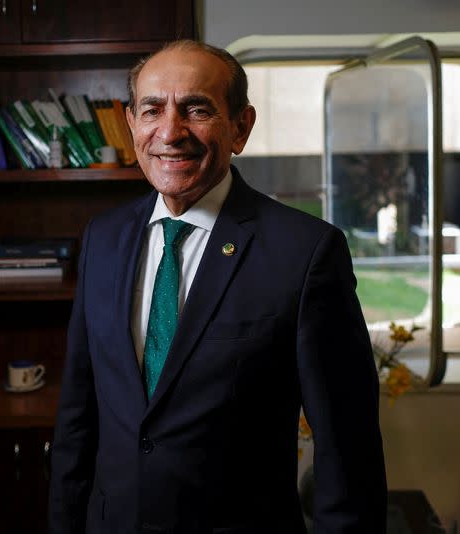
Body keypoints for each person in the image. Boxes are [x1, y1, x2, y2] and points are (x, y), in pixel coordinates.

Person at [49, 40, 387, 534]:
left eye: (196, 109)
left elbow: (347, 447)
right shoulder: (104, 238)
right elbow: (78, 416)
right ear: (131, 124)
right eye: (152, 110)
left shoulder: (306, 253)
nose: (170, 131)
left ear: (240, 127)